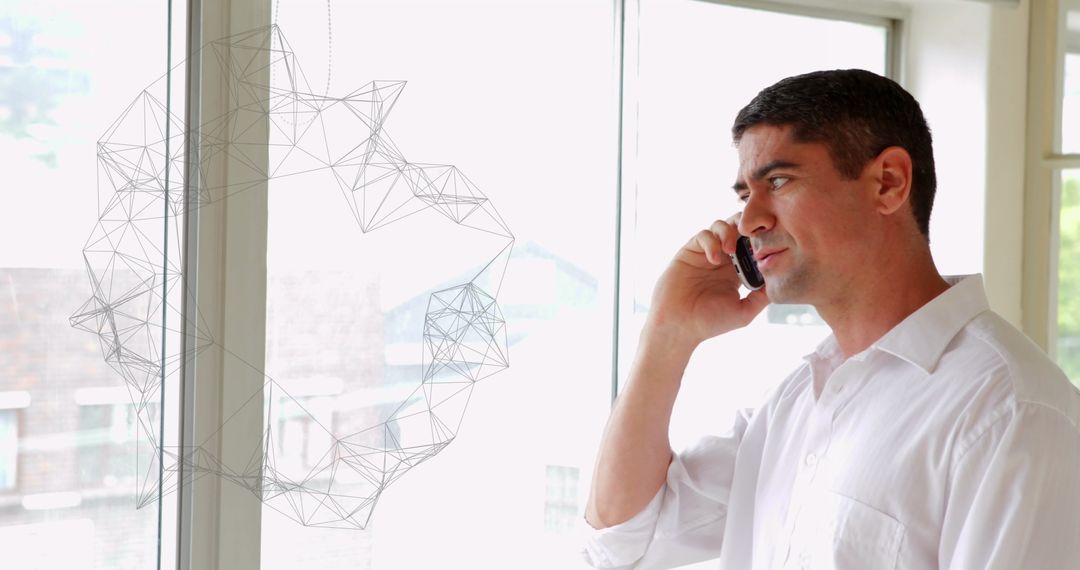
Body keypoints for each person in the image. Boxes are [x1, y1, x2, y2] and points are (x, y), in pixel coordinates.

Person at [581, 69, 1080, 569]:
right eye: (744, 196)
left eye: (778, 181)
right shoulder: (794, 403)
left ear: (888, 182)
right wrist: (667, 333)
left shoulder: (1012, 412)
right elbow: (621, 542)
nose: (749, 221)